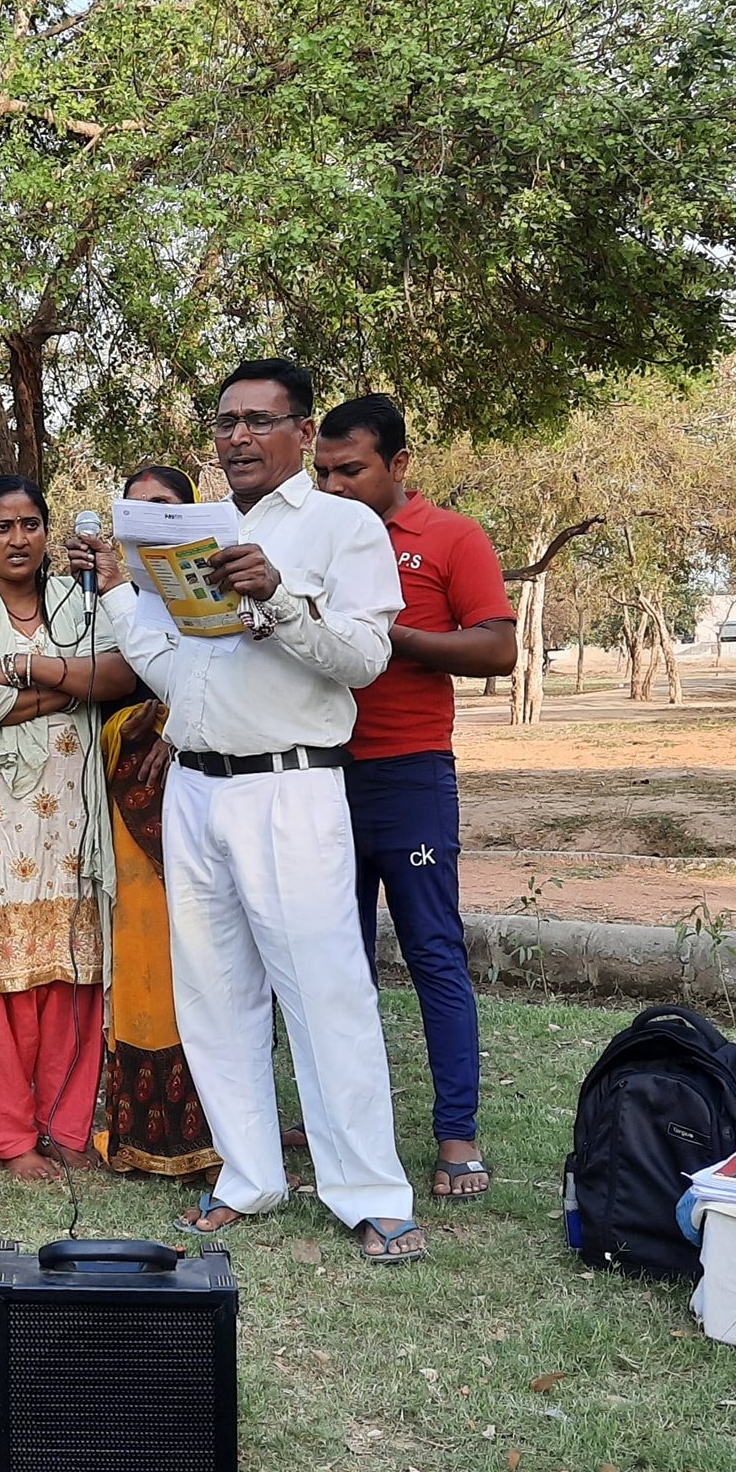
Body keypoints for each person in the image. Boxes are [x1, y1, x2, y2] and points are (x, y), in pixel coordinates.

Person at [71, 358, 423, 1262]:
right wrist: (119, 590)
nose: (237, 437)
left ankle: (369, 1192)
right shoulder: (200, 531)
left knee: (325, 991)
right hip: (194, 786)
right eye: (226, 422)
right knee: (214, 992)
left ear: (303, 432)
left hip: (289, 785)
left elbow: (364, 659)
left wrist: (278, 598)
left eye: (259, 421)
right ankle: (248, 1175)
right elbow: (173, 671)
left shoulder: (342, 526)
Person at [314, 394, 516, 1202]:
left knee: (433, 951)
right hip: (318, 774)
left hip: (409, 774)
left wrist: (385, 633)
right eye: (323, 473)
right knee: (336, 959)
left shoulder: (451, 537)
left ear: (398, 464)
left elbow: (497, 647)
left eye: (351, 470)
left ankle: (456, 1133)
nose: (334, 487)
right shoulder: (310, 538)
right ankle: (342, 1122)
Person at [0, 474, 130, 1181]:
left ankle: (66, 1124)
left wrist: (16, 670)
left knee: (74, 969)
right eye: (2, 527)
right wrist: (68, 687)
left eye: (31, 524)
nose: (19, 539)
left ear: (48, 530)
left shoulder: (81, 601)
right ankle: (10, 1136)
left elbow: (120, 677)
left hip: (74, 814)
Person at [88, 465, 221, 1177]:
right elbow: (98, 694)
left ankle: (224, 1132)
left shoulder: (215, 593)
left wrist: (181, 726)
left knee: (214, 962)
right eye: (135, 510)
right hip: (130, 798)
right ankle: (142, 1134)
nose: (149, 522)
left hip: (208, 793)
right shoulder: (105, 600)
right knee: (144, 954)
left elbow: (234, 683)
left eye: (164, 507)